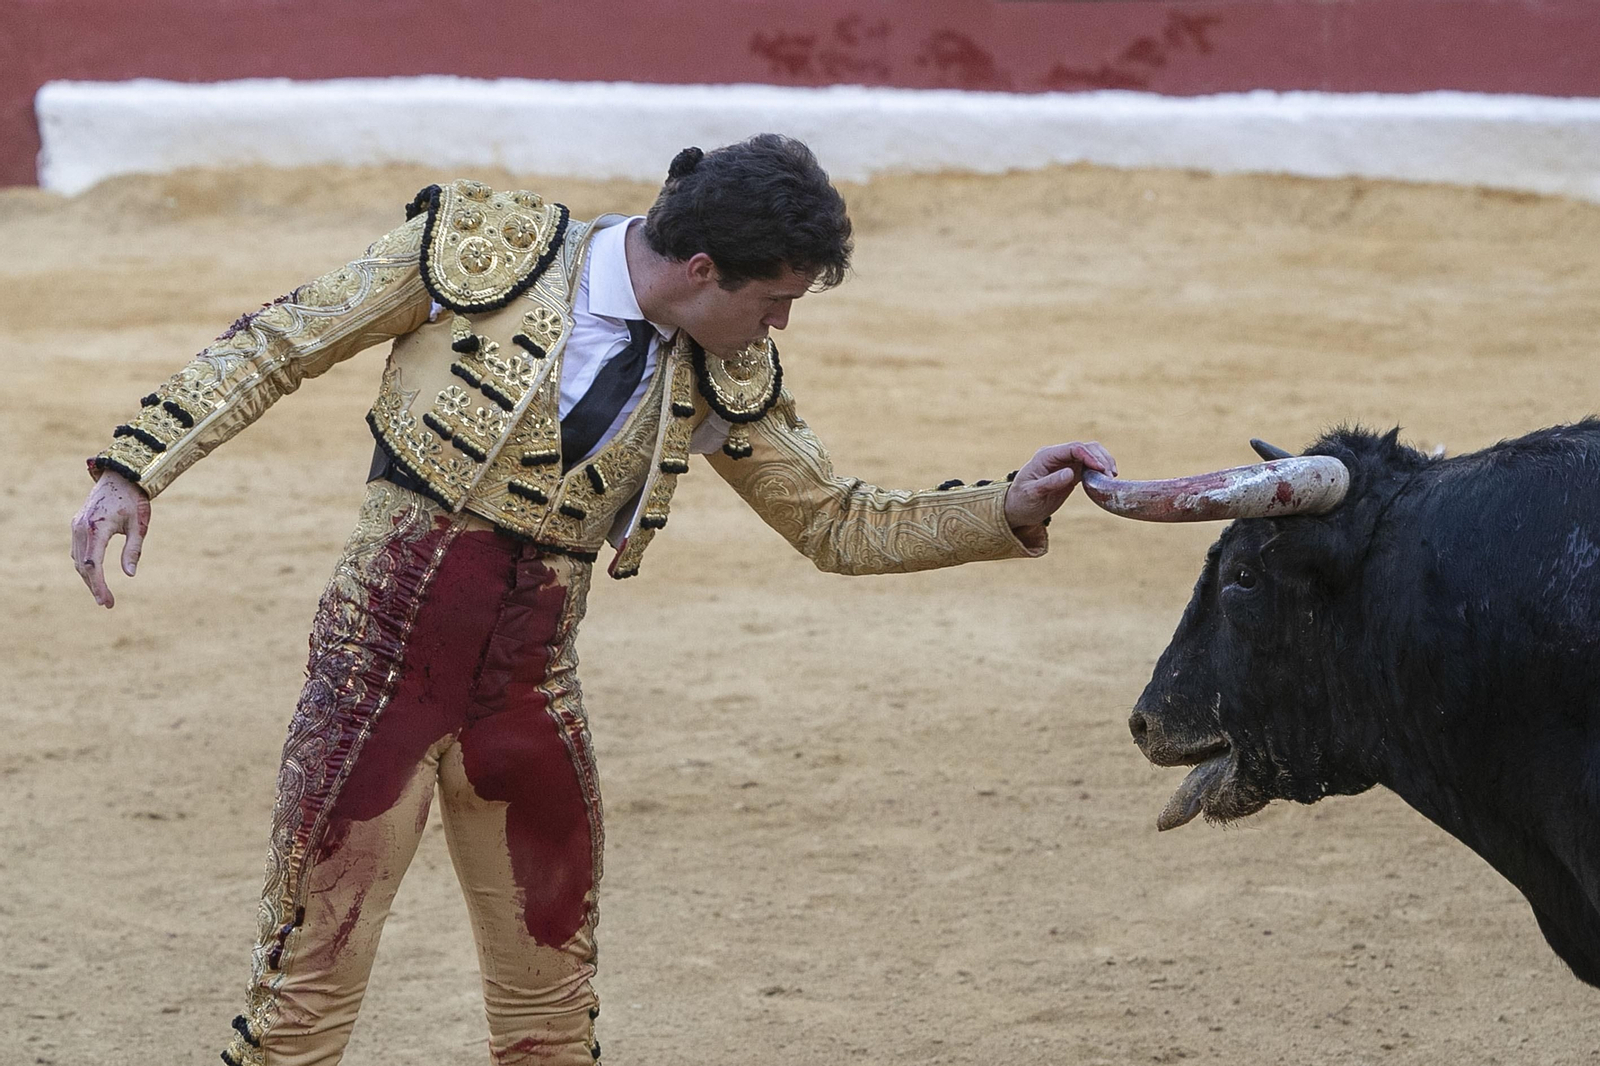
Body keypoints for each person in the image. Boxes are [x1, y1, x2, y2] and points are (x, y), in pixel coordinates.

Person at [70, 134, 1116, 1066]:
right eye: (772, 297)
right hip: (372, 686)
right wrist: (133, 467)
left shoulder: (720, 370)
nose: (780, 321)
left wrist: (1004, 507)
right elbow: (280, 340)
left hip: (528, 705)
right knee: (301, 1007)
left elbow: (835, 523)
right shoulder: (482, 254)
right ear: (700, 270)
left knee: (552, 1023)